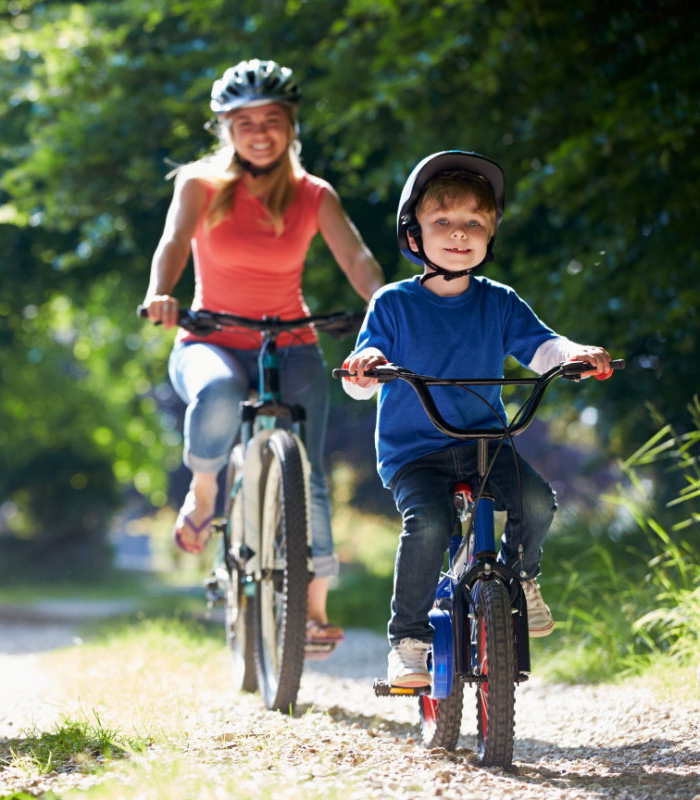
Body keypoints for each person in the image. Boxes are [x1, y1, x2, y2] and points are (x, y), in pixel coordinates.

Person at [339, 150, 613, 688]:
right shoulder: (392, 305)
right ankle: (408, 641)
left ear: (489, 236)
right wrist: (365, 369)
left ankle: (522, 579)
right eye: (443, 221)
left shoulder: (500, 303)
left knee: (536, 501)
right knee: (430, 524)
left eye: (474, 223)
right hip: (415, 450)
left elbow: (544, 349)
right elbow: (357, 377)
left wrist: (576, 353)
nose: (459, 233)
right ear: (414, 234)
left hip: (486, 441)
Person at [142, 59, 385, 648]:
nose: (259, 131)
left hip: (290, 338)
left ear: (290, 125)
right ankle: (204, 492)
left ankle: (311, 612)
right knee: (219, 393)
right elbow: (173, 242)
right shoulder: (198, 184)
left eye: (272, 119)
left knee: (308, 472)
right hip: (209, 336)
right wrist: (160, 293)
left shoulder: (313, 194)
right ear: (225, 126)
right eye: (244, 121)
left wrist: (386, 307)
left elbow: (355, 258)